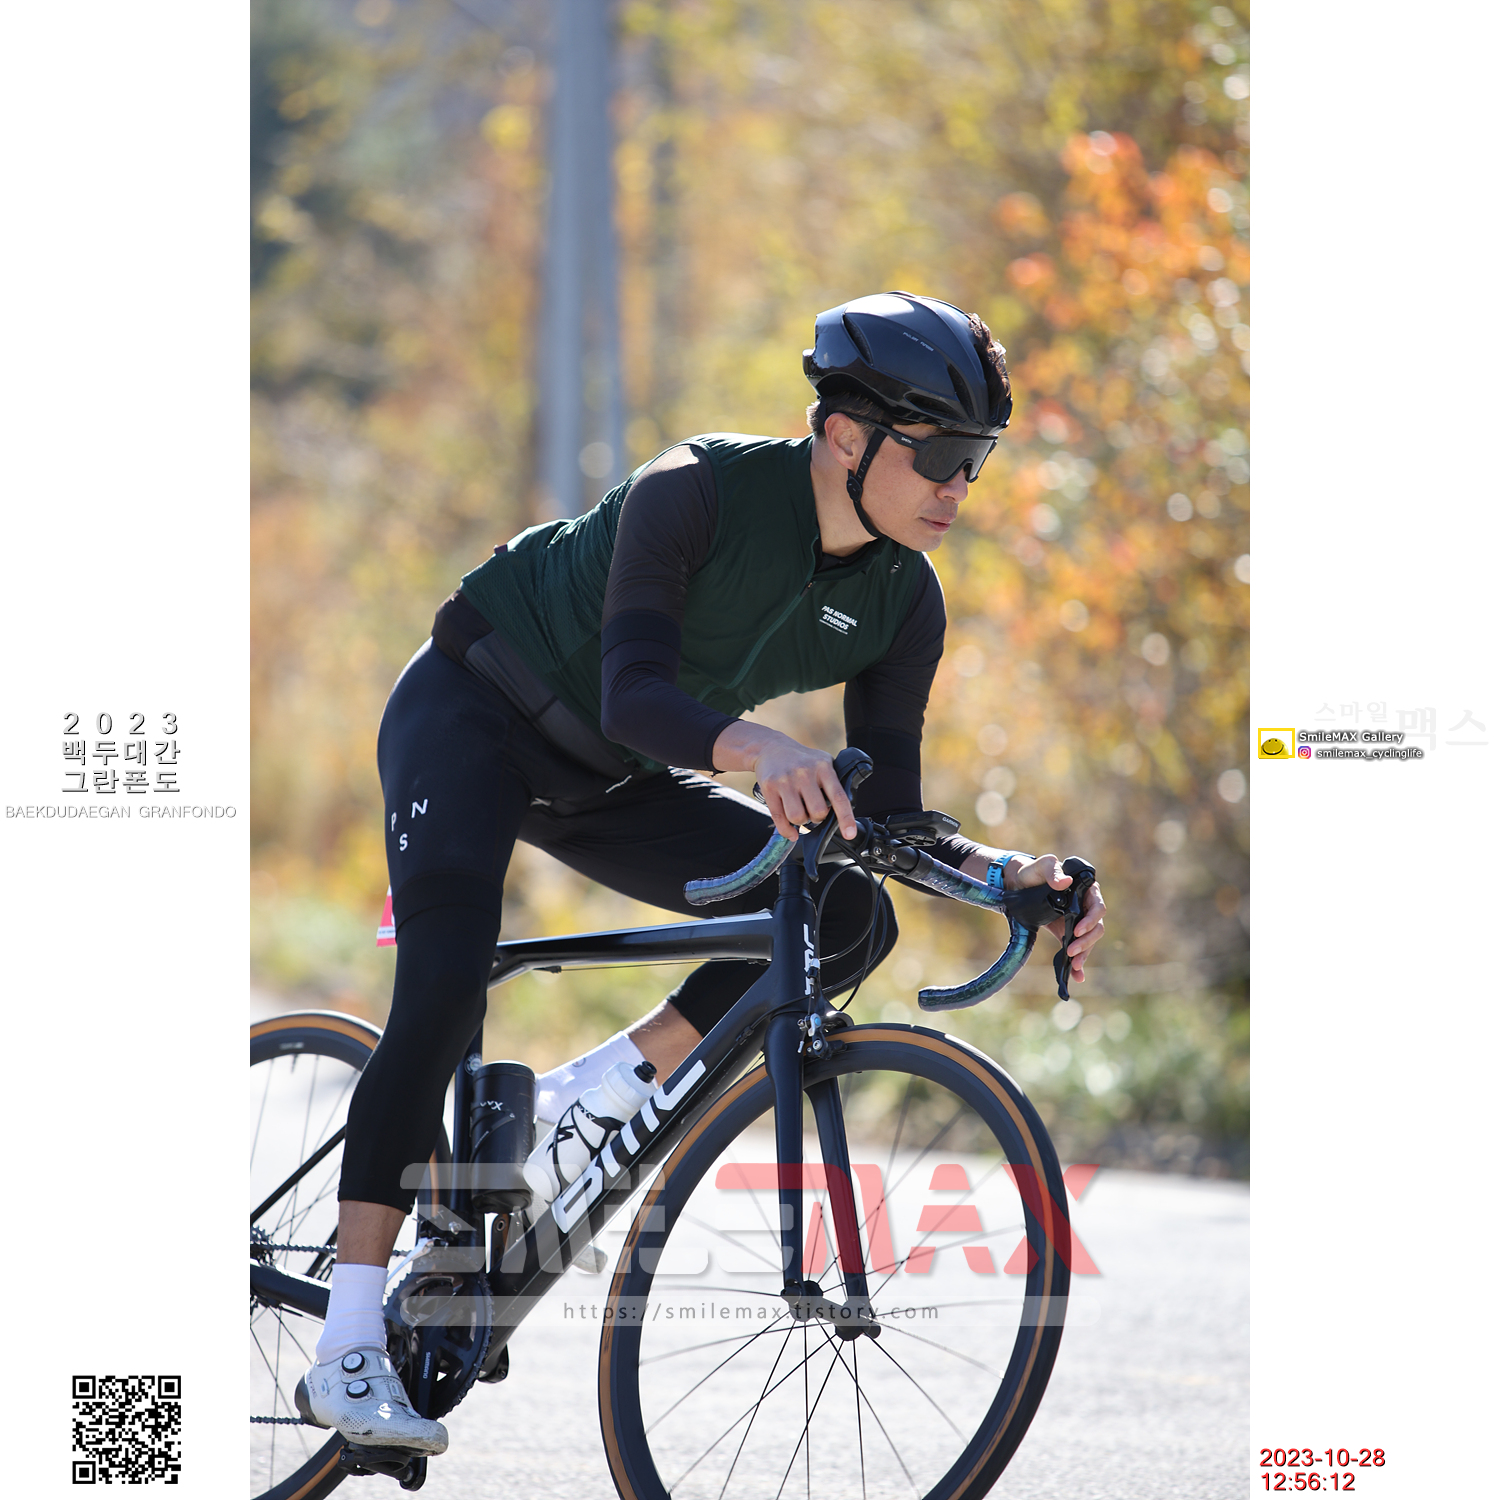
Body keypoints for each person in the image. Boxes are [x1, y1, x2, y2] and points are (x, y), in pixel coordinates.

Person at [298, 291, 1106, 1452]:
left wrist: (1007, 877)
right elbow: (634, 692)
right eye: (938, 455)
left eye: (976, 462)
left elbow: (886, 820)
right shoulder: (698, 487)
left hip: (610, 779)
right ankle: (347, 1347)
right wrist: (760, 748)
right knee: (442, 990)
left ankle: (594, 1092)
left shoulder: (904, 599)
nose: (958, 487)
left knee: (847, 915)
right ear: (845, 435)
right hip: (476, 711)